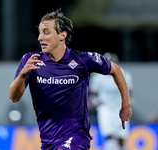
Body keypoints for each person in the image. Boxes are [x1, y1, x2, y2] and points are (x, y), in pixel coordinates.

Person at [9, 9, 132, 150]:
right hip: (48, 140)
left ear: (62, 35)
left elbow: (116, 70)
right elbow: (14, 97)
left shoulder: (82, 60)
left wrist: (126, 106)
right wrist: (22, 75)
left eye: (46, 32)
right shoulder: (31, 60)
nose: (40, 37)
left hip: (77, 136)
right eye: (40, 32)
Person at [89, 52, 133, 150]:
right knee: (108, 133)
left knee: (122, 134)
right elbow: (93, 92)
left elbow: (129, 91)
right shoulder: (98, 77)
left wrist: (127, 105)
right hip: (105, 108)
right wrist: (94, 102)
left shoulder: (125, 75)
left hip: (120, 107)